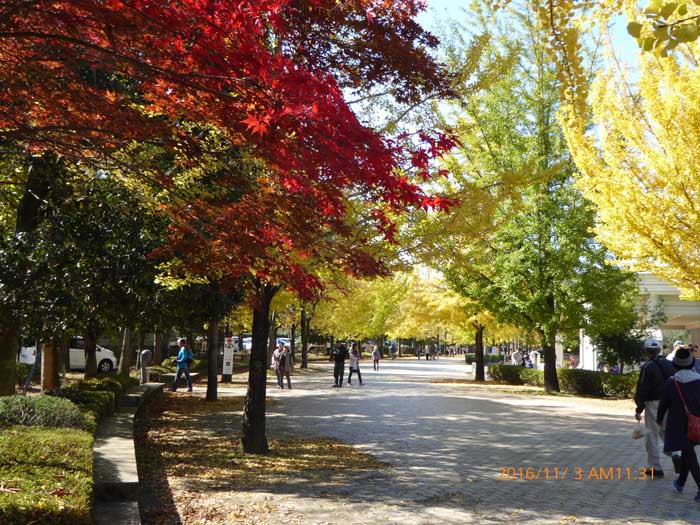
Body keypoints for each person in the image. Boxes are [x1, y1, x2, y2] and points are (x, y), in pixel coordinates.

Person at [658, 346, 700, 500]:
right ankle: (680, 483)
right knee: (688, 452)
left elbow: (664, 404)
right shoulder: (699, 380)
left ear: (675, 364)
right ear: (692, 362)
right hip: (697, 424)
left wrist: (658, 419)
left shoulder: (672, 382)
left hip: (678, 424)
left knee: (689, 454)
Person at [634, 338, 674, 477]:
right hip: (670, 403)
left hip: (653, 403)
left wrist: (639, 408)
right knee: (667, 432)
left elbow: (643, 389)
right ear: (659, 350)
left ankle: (655, 467)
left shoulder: (648, 367)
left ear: (646, 351)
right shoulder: (670, 364)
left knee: (652, 435)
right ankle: (677, 454)